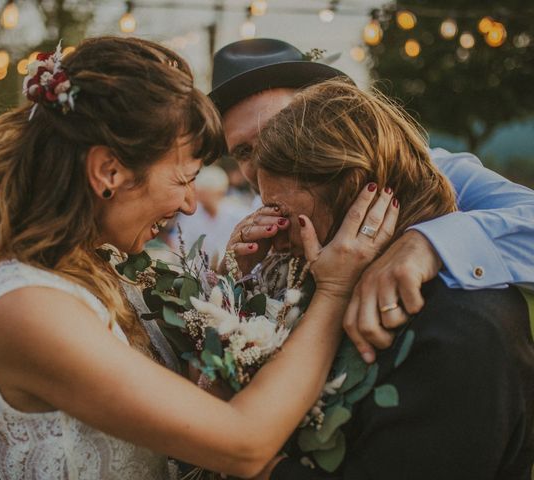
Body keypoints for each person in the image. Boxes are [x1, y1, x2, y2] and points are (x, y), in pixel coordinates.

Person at [0, 36, 399, 479]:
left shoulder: (96, 265)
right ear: (109, 171)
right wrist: (336, 289)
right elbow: (243, 443)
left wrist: (234, 286)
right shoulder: (26, 306)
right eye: (184, 179)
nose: (188, 205)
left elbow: (179, 399)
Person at [251, 79, 534, 479]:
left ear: (356, 194)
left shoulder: (463, 327)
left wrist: (261, 468)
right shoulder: (321, 281)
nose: (275, 234)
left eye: (279, 211)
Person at [210, 38, 534, 364]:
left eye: (276, 131)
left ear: (325, 113)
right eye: (243, 151)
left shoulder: (436, 171)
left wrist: (430, 242)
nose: (262, 161)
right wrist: (236, 280)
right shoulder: (264, 226)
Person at [173, 165, 250, 265]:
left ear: (219, 192)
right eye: (199, 192)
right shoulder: (190, 216)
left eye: (205, 192)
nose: (199, 196)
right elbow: (181, 246)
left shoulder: (238, 214)